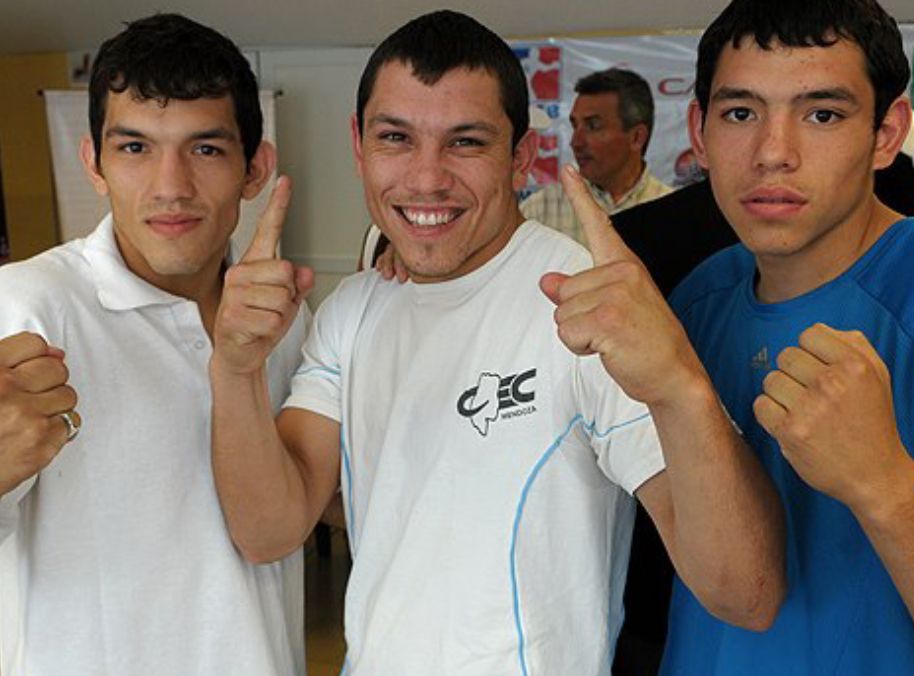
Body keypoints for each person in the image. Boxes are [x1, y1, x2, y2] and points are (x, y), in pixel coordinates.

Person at [209, 10, 784, 674]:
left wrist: (679, 382)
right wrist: (236, 368)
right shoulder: (353, 310)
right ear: (359, 143)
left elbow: (747, 594)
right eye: (396, 137)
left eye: (466, 142)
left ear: (521, 155)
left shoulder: (583, 306)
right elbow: (267, 531)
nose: (426, 179)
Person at [0, 14, 307, 676]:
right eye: (134, 148)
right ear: (94, 164)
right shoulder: (28, 307)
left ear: (256, 168)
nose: (170, 186)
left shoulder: (283, 316)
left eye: (206, 149)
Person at [660, 0, 914, 673]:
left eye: (823, 114)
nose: (773, 153)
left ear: (887, 134)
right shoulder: (699, 301)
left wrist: (885, 485)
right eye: (741, 112)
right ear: (699, 132)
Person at [521, 67, 672, 246]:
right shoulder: (538, 212)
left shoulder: (675, 213)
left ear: (636, 137)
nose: (576, 142)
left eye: (593, 126)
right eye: (575, 125)